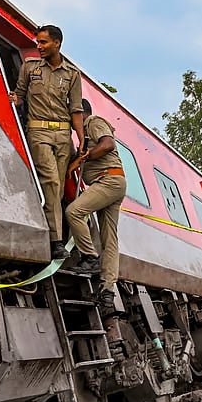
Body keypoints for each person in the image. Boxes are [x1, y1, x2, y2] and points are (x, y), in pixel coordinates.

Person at [11, 25, 86, 259]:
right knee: (51, 182)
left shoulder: (73, 74)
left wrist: (81, 138)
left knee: (59, 188)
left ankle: (58, 237)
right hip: (38, 132)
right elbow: (19, 96)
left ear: (57, 43)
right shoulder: (30, 67)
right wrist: (13, 99)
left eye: (43, 42)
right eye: (38, 42)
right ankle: (55, 241)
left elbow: (75, 109)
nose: (39, 46)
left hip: (63, 135)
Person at [65, 99, 129, 306]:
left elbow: (108, 144)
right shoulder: (85, 132)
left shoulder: (93, 122)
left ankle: (90, 257)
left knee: (74, 211)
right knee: (109, 239)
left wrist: (83, 158)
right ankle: (107, 290)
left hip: (108, 180)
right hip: (112, 182)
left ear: (80, 113)